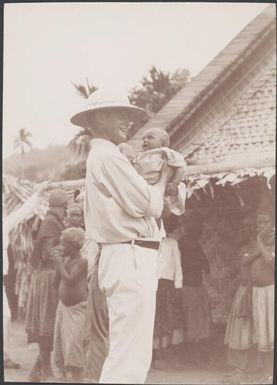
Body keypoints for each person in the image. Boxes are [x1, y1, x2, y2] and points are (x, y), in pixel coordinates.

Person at [70, 89, 172, 384]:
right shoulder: (107, 157)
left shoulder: (106, 157)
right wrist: (164, 178)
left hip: (128, 254)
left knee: (129, 351)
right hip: (129, 255)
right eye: (121, 116)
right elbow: (153, 205)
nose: (128, 123)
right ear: (100, 117)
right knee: (129, 355)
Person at [3, 181, 49, 370]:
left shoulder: (4, 224)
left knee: (5, 316)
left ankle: (4, 356)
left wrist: (38, 193)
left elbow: (23, 212)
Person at [25, 189, 68, 382]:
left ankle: (36, 370)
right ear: (57, 207)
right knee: (47, 324)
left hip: (49, 275)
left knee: (48, 324)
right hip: (48, 277)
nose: (65, 211)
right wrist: (69, 247)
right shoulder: (51, 222)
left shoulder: (52, 221)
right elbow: (46, 253)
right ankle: (46, 369)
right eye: (64, 208)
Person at [119, 128, 187, 215]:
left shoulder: (166, 152)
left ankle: (158, 222)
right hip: (143, 186)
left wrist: (175, 183)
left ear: (162, 144)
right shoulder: (140, 155)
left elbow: (180, 167)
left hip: (158, 186)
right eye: (143, 138)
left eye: (150, 138)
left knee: (160, 209)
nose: (145, 140)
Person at [224, 214, 258, 383]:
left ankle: (245, 369)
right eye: (245, 227)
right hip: (241, 289)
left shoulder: (257, 247)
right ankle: (238, 368)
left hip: (250, 291)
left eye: (251, 226)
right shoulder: (243, 246)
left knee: (245, 331)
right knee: (236, 331)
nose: (247, 230)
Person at [53, 227, 88, 382]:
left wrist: (60, 263)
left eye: (64, 244)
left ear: (74, 246)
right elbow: (55, 283)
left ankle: (78, 379)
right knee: (62, 345)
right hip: (64, 308)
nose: (61, 247)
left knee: (74, 346)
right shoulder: (66, 260)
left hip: (77, 309)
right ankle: (69, 377)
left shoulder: (82, 261)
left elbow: (70, 280)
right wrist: (58, 264)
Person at [179, 212, 212, 367]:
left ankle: (195, 357)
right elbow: (204, 266)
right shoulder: (183, 244)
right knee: (192, 322)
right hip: (188, 286)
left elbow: (206, 266)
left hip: (195, 286)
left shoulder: (192, 245)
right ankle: (192, 358)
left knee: (196, 322)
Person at [152, 231, 184, 371]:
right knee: (154, 321)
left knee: (168, 321)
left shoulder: (172, 243)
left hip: (168, 286)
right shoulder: (151, 242)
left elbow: (178, 265)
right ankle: (154, 359)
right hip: (152, 285)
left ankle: (166, 357)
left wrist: (178, 286)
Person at [250, 209, 275, 383]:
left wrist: (259, 240)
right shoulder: (259, 242)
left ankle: (270, 373)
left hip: (270, 291)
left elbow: (269, 259)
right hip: (258, 291)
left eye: (265, 222)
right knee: (262, 332)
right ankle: (264, 371)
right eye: (259, 222)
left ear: (271, 224)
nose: (262, 226)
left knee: (271, 331)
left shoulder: (271, 240)